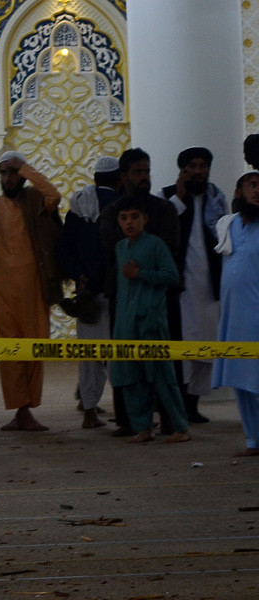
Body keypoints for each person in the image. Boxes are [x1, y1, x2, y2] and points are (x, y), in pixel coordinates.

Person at [100, 148, 181, 436]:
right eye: (137, 172)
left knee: (163, 363)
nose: (144, 177)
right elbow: (111, 245)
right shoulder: (111, 212)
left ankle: (171, 420)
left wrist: (143, 263)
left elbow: (169, 245)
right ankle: (130, 422)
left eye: (147, 171)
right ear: (123, 176)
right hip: (123, 298)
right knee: (126, 362)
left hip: (160, 299)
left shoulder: (164, 209)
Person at [0, 151, 62, 432]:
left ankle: (28, 408)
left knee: (34, 347)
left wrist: (26, 168)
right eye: (3, 173)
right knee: (9, 350)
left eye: (12, 172)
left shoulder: (36, 200)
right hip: (3, 290)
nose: (8, 178)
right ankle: (20, 409)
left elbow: (54, 195)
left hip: (34, 288)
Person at [109, 196, 190, 444]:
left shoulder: (155, 245)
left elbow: (171, 276)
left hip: (151, 321)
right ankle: (143, 427)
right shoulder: (120, 248)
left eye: (134, 217)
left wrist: (140, 273)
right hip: (125, 322)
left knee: (162, 375)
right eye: (124, 218)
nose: (129, 222)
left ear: (145, 219)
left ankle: (181, 427)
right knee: (130, 377)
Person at [157, 147, 225, 424]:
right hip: (180, 289)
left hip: (209, 288)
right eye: (193, 166)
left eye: (203, 166)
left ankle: (192, 405)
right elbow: (159, 228)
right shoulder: (165, 197)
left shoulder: (216, 199)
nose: (198, 171)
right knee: (181, 346)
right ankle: (177, 405)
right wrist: (180, 197)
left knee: (206, 346)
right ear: (183, 170)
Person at [57, 156, 121, 429]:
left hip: (87, 293)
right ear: (120, 179)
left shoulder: (78, 207)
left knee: (90, 355)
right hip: (116, 291)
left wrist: (79, 276)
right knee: (119, 355)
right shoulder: (123, 206)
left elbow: (63, 249)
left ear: (95, 179)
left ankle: (90, 412)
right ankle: (126, 411)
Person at [213, 170, 259, 456]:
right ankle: (253, 440)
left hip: (257, 315)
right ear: (239, 192)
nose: (258, 190)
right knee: (242, 383)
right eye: (252, 185)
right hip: (234, 317)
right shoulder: (227, 226)